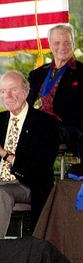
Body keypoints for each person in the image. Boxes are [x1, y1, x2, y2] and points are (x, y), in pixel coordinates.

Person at [0, 71, 60, 238]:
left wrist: (6, 155)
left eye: (13, 89)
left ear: (26, 91)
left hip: (27, 184)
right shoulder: (0, 121)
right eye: (3, 91)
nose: (8, 95)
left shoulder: (46, 123)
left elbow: (40, 169)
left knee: (0, 194)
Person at [27, 24, 83, 156]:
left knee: (38, 133)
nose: (62, 47)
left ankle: (35, 174)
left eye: (66, 42)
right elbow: (26, 105)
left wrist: (49, 121)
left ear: (73, 43)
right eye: (57, 43)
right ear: (50, 45)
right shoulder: (37, 74)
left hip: (66, 128)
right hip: (35, 125)